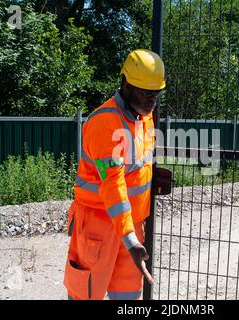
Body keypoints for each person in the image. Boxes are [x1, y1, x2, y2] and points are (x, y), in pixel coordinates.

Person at [63, 49, 165, 300]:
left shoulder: (144, 118)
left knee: (129, 298)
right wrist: (130, 239)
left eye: (156, 93)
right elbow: (113, 184)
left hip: (131, 229)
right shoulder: (104, 123)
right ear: (125, 84)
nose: (151, 100)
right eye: (144, 92)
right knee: (86, 295)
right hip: (98, 228)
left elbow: (139, 165)